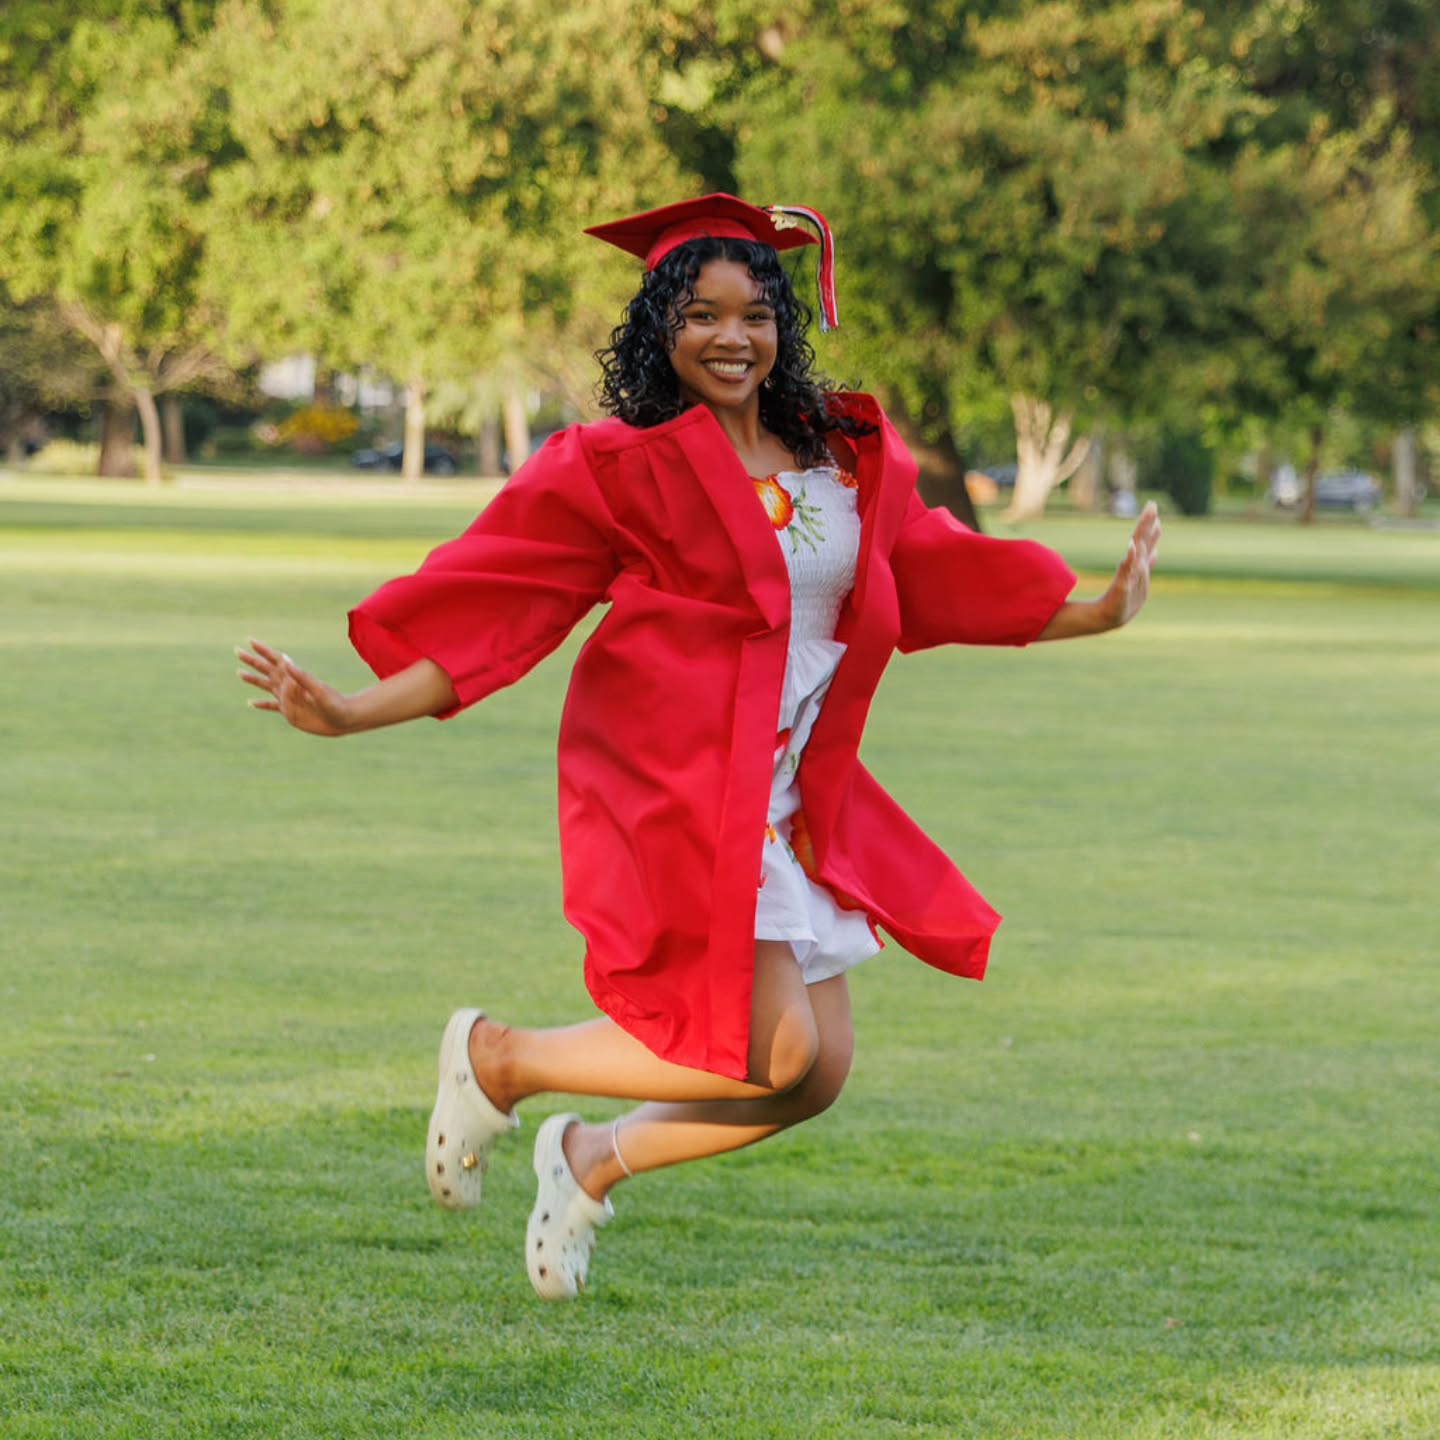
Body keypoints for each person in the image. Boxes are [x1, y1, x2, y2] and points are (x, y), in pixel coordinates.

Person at [238, 194, 1160, 1301]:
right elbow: (504, 612)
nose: (734, 336)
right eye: (703, 313)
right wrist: (348, 709)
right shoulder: (618, 466)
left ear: (785, 326)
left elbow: (936, 572)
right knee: (770, 1051)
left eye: (757, 312)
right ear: (660, 328)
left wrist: (1094, 611)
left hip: (789, 791)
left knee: (815, 1078)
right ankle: (503, 1057)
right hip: (679, 783)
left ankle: (589, 1159)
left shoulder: (841, 458)